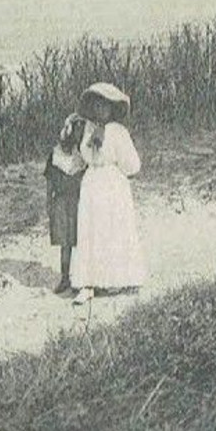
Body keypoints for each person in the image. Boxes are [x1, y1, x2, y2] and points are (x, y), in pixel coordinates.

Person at [70, 83, 147, 304]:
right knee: (91, 231)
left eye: (103, 105)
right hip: (92, 184)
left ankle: (118, 278)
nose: (99, 109)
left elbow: (133, 164)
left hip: (113, 185)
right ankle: (89, 282)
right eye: (95, 105)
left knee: (114, 230)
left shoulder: (119, 132)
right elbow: (83, 156)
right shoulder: (87, 130)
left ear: (112, 108)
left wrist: (115, 168)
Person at [44, 111, 87, 295]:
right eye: (76, 130)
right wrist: (49, 202)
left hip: (79, 200)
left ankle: (82, 277)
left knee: (82, 239)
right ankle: (65, 278)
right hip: (61, 201)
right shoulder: (55, 155)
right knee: (65, 241)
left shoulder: (83, 155)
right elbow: (50, 181)